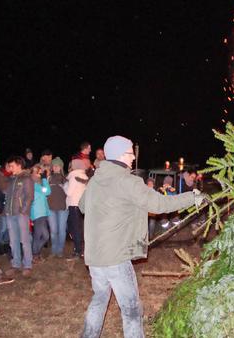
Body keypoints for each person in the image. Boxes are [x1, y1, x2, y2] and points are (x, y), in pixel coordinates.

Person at [79, 135, 208, 337]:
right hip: (117, 257)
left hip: (95, 256)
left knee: (99, 298)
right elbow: (159, 204)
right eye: (130, 153)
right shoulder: (128, 181)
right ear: (121, 155)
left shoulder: (96, 180)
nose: (132, 157)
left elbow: (83, 206)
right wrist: (193, 197)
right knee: (131, 310)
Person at [3, 156, 34, 276]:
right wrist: (6, 210)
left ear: (19, 165)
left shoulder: (26, 179)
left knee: (24, 240)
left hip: (21, 214)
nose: (10, 168)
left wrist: (23, 211)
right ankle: (16, 264)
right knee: (13, 240)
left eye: (12, 166)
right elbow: (8, 197)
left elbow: (29, 197)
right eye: (9, 166)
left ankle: (27, 265)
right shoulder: (11, 179)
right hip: (10, 214)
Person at [65, 158, 88, 259]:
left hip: (73, 205)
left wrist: (65, 186)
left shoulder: (73, 177)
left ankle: (78, 251)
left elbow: (69, 192)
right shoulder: (84, 177)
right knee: (80, 228)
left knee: (74, 229)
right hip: (81, 205)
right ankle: (81, 250)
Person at [47, 158, 68, 257]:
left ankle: (60, 250)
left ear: (61, 167)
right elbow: (45, 192)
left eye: (57, 165)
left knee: (61, 230)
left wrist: (63, 186)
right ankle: (54, 249)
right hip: (51, 208)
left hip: (63, 208)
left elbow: (69, 192)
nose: (55, 167)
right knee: (53, 231)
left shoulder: (65, 179)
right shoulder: (48, 178)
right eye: (54, 165)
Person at [30, 165, 51, 262]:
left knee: (45, 236)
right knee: (38, 235)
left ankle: (35, 253)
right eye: (37, 171)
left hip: (42, 212)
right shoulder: (33, 184)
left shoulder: (38, 184)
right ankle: (35, 255)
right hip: (37, 212)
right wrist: (44, 179)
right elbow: (47, 191)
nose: (39, 173)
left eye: (39, 171)